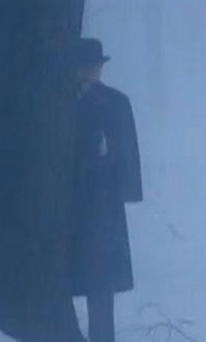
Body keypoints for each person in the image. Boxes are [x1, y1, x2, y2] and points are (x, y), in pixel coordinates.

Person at [71, 38, 143, 342]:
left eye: (95, 65)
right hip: (66, 202)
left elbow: (127, 153)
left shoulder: (115, 102)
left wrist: (123, 185)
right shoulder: (59, 102)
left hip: (102, 205)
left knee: (100, 282)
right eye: (86, 65)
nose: (91, 71)